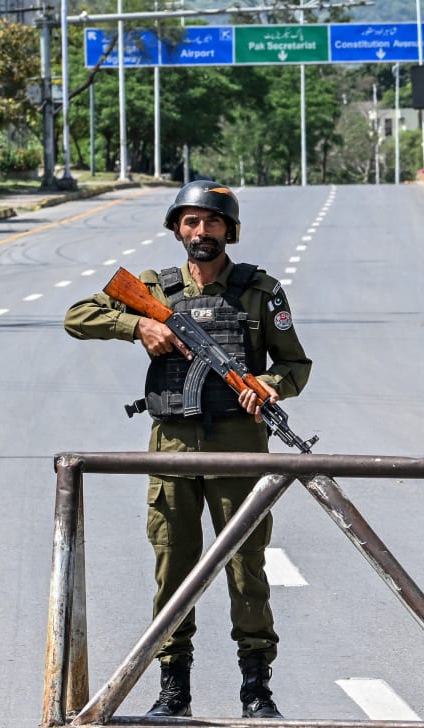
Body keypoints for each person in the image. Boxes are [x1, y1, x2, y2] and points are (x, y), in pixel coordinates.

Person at [63, 180, 311, 719]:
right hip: (171, 446)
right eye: (191, 222)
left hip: (240, 449)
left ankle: (255, 687)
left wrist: (270, 386)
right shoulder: (155, 287)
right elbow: (77, 316)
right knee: (173, 567)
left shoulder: (259, 292)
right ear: (176, 228)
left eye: (212, 222)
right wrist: (138, 325)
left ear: (230, 229)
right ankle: (174, 687)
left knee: (246, 567)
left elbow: (296, 365)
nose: (201, 232)